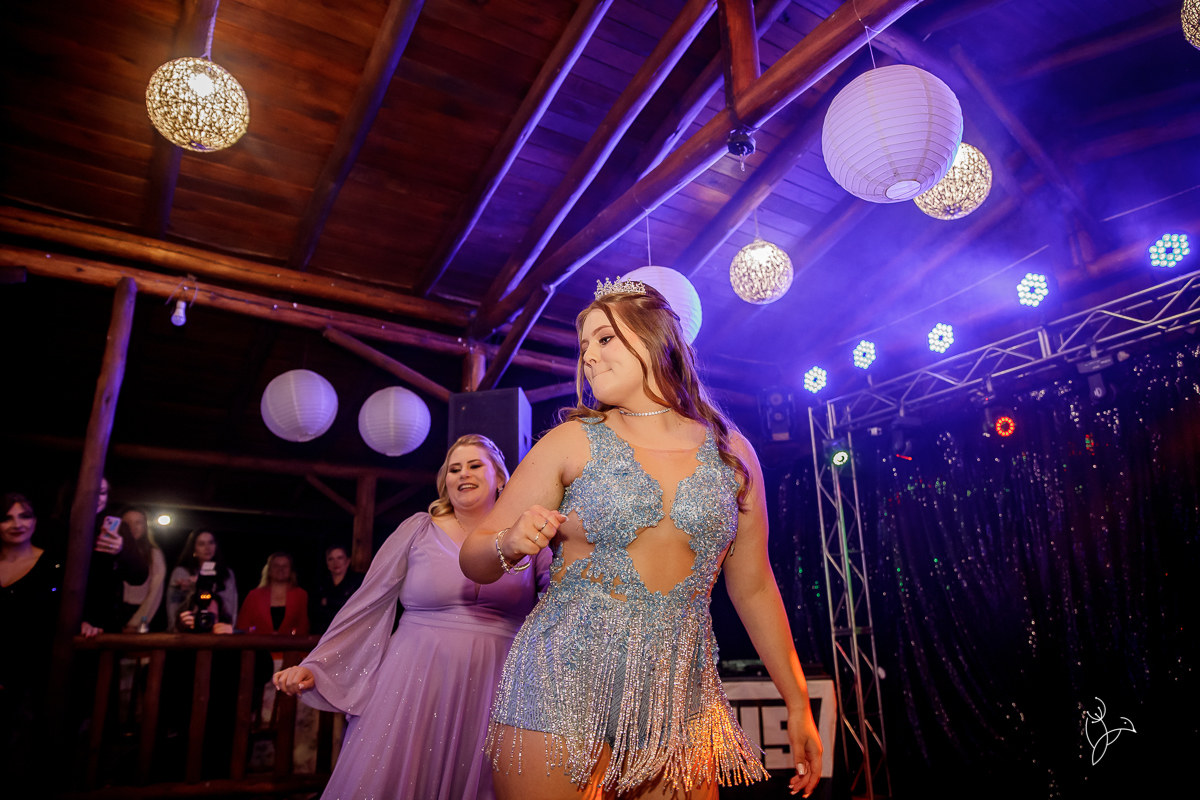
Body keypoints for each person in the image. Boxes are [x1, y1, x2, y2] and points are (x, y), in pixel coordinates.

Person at [459, 282, 824, 799]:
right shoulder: (570, 441)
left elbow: (755, 587)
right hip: (560, 682)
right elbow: (474, 557)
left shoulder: (732, 453)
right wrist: (509, 542)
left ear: (655, 338)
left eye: (604, 339)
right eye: (584, 346)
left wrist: (797, 702)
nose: (588, 357)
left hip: (680, 698)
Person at [273, 434, 551, 800]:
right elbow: (368, 602)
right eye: (454, 469)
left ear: (500, 477)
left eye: (474, 465)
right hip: (415, 679)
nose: (463, 474)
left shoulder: (528, 537)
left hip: (498, 684)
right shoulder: (418, 530)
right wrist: (319, 665)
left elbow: (559, 599)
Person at [1, 493, 64, 791]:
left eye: (24, 516)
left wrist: (87, 620)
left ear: (35, 522)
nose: (17, 524)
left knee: (32, 751)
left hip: (38, 669)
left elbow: (67, 610)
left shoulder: (53, 564)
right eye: (6, 518)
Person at [83, 478, 149, 634]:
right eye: (91, 492)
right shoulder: (60, 526)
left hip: (103, 620)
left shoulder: (117, 529)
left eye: (102, 492)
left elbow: (139, 577)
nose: (97, 498)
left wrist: (121, 552)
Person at [166, 530, 238, 632]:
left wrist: (229, 629)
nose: (207, 548)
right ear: (193, 548)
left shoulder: (226, 573)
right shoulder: (182, 573)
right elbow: (173, 607)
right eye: (201, 544)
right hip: (187, 631)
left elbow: (231, 606)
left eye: (211, 542)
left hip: (219, 630)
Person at [236, 553, 309, 636]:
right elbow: (242, 627)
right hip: (259, 643)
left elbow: (303, 627)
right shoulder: (254, 595)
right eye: (276, 566)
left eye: (285, 566)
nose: (280, 569)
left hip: (289, 643)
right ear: (269, 570)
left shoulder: (301, 595)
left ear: (291, 570)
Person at [119, 508, 166, 632]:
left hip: (140, 613)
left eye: (138, 522)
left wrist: (137, 621)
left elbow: (155, 592)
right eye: (127, 523)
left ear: (145, 526)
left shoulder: (153, 554)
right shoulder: (117, 551)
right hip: (114, 613)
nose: (133, 527)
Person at [309, 545, 363, 635]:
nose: (335, 562)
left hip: (349, 631)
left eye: (340, 558)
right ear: (327, 563)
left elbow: (354, 608)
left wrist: (328, 602)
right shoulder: (320, 584)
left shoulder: (357, 583)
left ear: (348, 561)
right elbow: (314, 611)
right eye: (331, 559)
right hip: (324, 633)